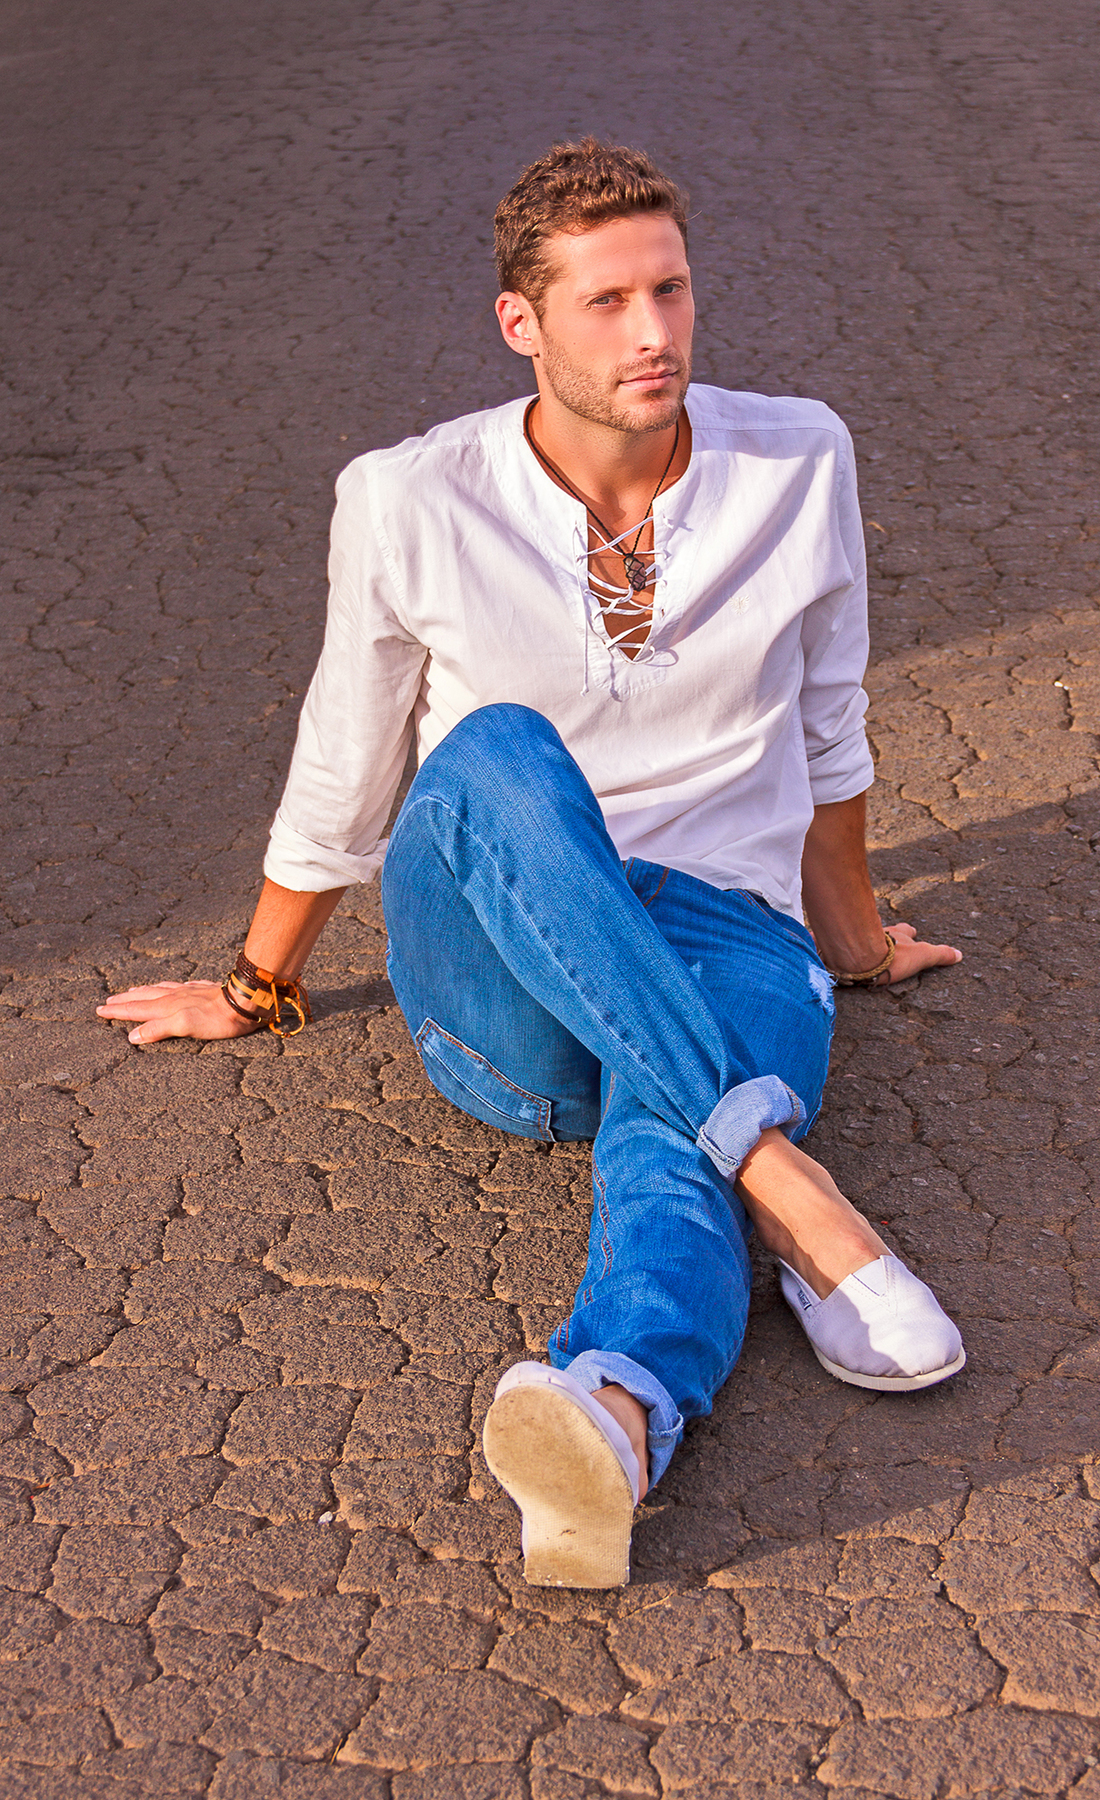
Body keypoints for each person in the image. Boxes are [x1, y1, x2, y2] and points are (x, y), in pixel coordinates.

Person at [98, 138, 965, 1590]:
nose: (653, 332)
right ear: (524, 322)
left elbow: (830, 730)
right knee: (495, 750)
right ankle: (792, 1187)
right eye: (607, 302)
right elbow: (348, 760)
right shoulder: (410, 496)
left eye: (671, 291)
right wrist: (257, 985)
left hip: (727, 925)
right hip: (506, 973)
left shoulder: (799, 456)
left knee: (666, 1135)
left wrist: (859, 943)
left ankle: (615, 1412)